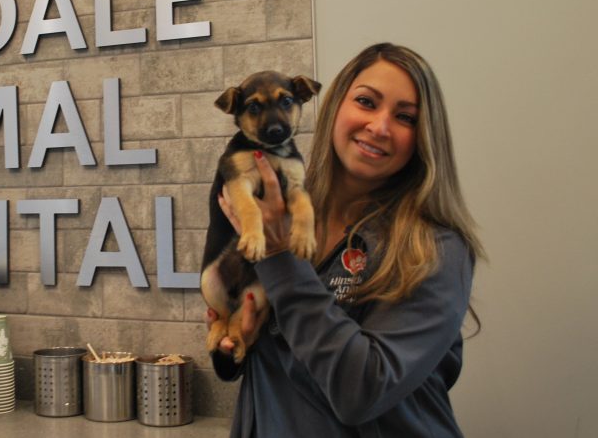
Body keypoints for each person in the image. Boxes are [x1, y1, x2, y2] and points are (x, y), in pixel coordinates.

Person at [207, 43, 484, 437]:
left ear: (422, 136)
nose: (380, 126)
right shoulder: (275, 214)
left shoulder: (435, 250)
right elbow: (280, 359)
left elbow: (362, 391)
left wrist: (282, 259)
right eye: (367, 102)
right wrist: (235, 347)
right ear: (336, 104)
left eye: (405, 117)